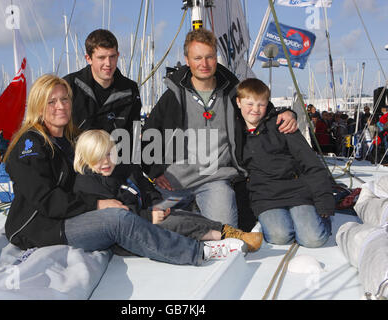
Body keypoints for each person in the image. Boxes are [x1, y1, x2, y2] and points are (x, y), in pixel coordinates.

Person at [3, 74, 244, 266]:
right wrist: (98, 205)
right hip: (40, 228)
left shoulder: (68, 140)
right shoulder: (31, 145)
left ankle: (218, 231)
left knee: (155, 207)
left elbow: (91, 177)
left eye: (64, 99)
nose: (60, 106)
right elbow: (46, 200)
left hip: (70, 214)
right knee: (118, 220)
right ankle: (199, 252)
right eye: (51, 101)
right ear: (38, 105)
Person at [141, 28, 298, 228]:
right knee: (156, 226)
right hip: (175, 182)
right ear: (187, 60)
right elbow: (149, 131)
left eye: (209, 57)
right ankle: (191, 216)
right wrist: (155, 171)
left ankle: (195, 217)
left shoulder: (233, 92)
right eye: (197, 58)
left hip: (215, 181)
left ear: (216, 58)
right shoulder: (173, 95)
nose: (204, 64)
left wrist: (288, 114)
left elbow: (260, 109)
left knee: (225, 233)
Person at [73, 129, 263, 251]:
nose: (105, 162)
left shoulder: (125, 169)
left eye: (109, 154)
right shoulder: (89, 184)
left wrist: (158, 205)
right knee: (172, 225)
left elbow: (147, 189)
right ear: (85, 158)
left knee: (180, 214)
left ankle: (228, 231)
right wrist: (148, 217)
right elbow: (115, 216)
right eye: (97, 157)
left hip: (145, 215)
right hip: (126, 235)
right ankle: (218, 241)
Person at [235, 78, 334, 248]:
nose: (255, 110)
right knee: (279, 237)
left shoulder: (282, 126)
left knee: (313, 239)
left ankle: (318, 222)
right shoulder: (235, 132)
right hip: (265, 196)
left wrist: (324, 203)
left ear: (268, 104)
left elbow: (310, 163)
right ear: (238, 102)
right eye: (249, 104)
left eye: (261, 104)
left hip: (296, 191)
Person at [63, 29, 141, 140]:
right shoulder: (69, 86)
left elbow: (134, 133)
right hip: (78, 155)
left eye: (112, 56)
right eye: (101, 58)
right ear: (89, 59)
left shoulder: (130, 90)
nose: (108, 63)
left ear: (118, 55)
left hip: (115, 155)